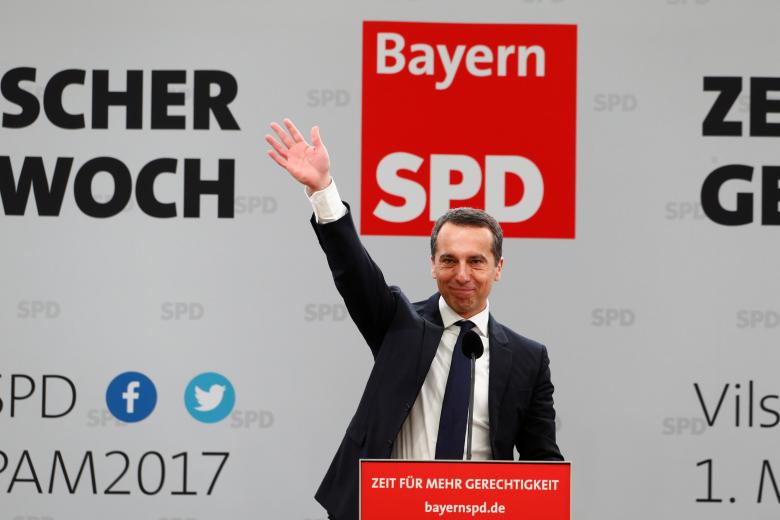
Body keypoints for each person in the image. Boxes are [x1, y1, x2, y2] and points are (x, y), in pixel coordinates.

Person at [266, 119, 562, 520]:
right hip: (386, 511)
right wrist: (323, 191)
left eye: (476, 261)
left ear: (498, 268)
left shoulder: (529, 358)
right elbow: (354, 272)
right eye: (449, 260)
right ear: (432, 265)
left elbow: (542, 465)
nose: (461, 274)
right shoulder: (398, 324)